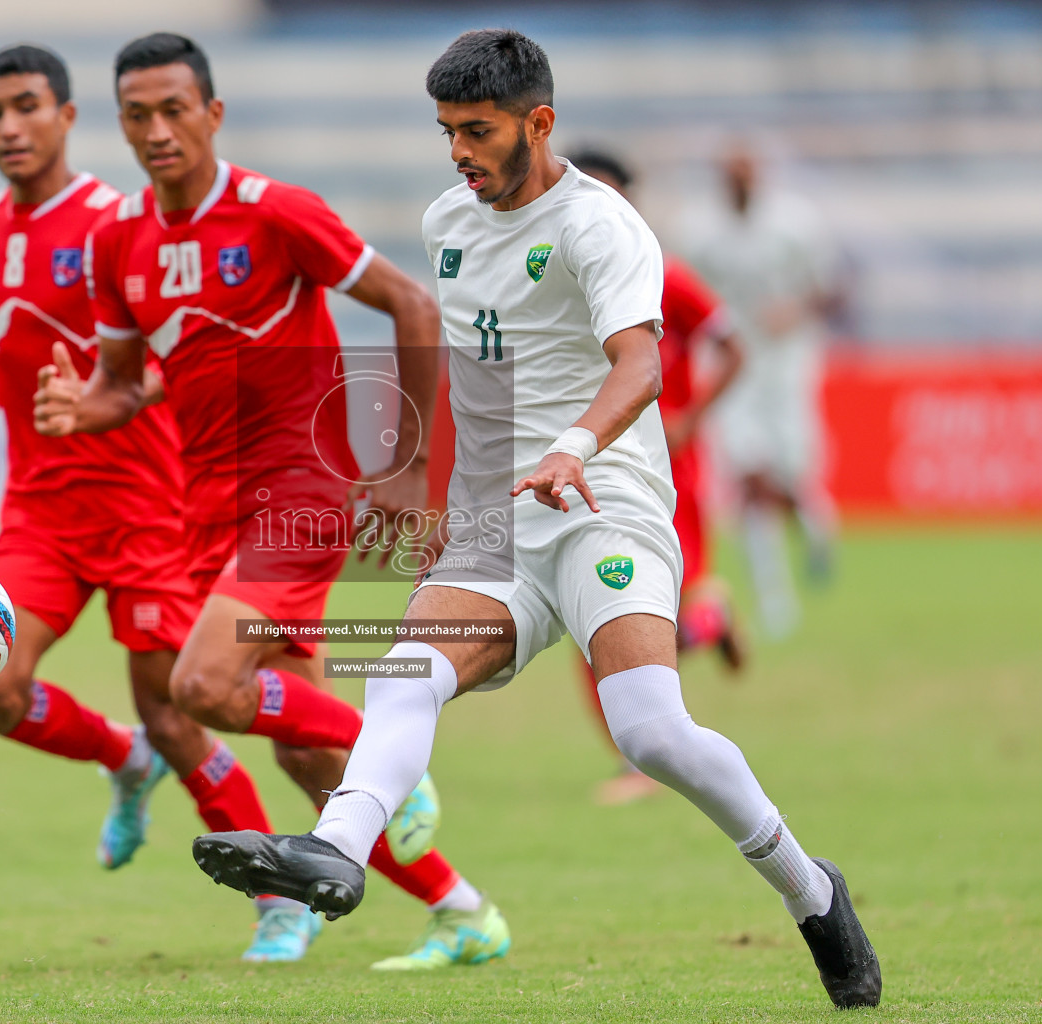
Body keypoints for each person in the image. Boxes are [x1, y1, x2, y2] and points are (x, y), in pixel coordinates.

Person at [190, 30, 880, 1009]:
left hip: (605, 503)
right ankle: (335, 854)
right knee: (404, 675)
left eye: (478, 130)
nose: (460, 151)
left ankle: (813, 893)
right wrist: (418, 480)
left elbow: (639, 365)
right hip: (493, 522)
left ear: (539, 122)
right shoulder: (448, 220)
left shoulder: (603, 227)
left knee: (651, 732)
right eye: (447, 132)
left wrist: (573, 448)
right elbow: (461, 358)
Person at [32, 32, 508, 970]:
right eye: (139, 115)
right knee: (303, 756)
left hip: (300, 488)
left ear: (212, 114)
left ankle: (394, 769)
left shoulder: (274, 212)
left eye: (176, 110)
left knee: (202, 687)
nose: (158, 130)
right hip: (203, 506)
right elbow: (127, 381)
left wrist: (406, 464)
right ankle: (464, 913)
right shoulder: (118, 242)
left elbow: (413, 305)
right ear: (120, 126)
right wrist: (84, 406)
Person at [0, 43, 313, 963]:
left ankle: (280, 897)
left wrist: (113, 399)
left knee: (178, 714)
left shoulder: (118, 223)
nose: (9, 127)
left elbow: (156, 362)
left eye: (27, 106)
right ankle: (119, 759)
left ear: (68, 118)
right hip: (39, 510)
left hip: (147, 503)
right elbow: (6, 336)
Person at [566, 147, 747, 805]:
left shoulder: (666, 277)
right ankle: (640, 751)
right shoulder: (565, 281)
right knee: (597, 619)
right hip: (598, 469)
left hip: (667, 474)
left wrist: (692, 419)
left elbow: (734, 347)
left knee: (631, 618)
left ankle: (645, 756)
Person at [682, 143, 841, 637]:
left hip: (787, 364)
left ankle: (818, 530)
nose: (739, 183)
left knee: (792, 476)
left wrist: (793, 312)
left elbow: (832, 288)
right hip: (732, 368)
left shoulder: (796, 224)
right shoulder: (700, 233)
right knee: (749, 478)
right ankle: (774, 597)